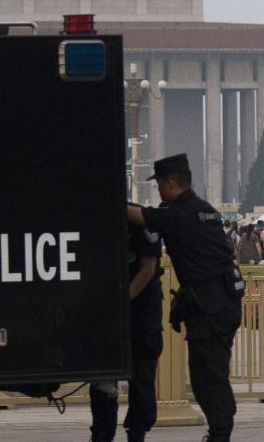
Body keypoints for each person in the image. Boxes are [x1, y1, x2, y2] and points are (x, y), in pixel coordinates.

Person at [126, 154, 241, 442]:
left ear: (170, 182)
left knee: (207, 377)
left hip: (210, 309)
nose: (159, 191)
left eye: (160, 185)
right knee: (212, 372)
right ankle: (220, 431)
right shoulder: (205, 210)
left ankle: (220, 434)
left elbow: (140, 216)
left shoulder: (180, 214)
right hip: (221, 303)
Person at [89, 219, 163, 442]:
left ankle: (137, 433)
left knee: (141, 378)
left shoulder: (140, 222)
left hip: (140, 312)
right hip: (106, 312)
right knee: (103, 378)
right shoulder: (95, 221)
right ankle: (102, 434)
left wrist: (120, 302)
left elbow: (148, 268)